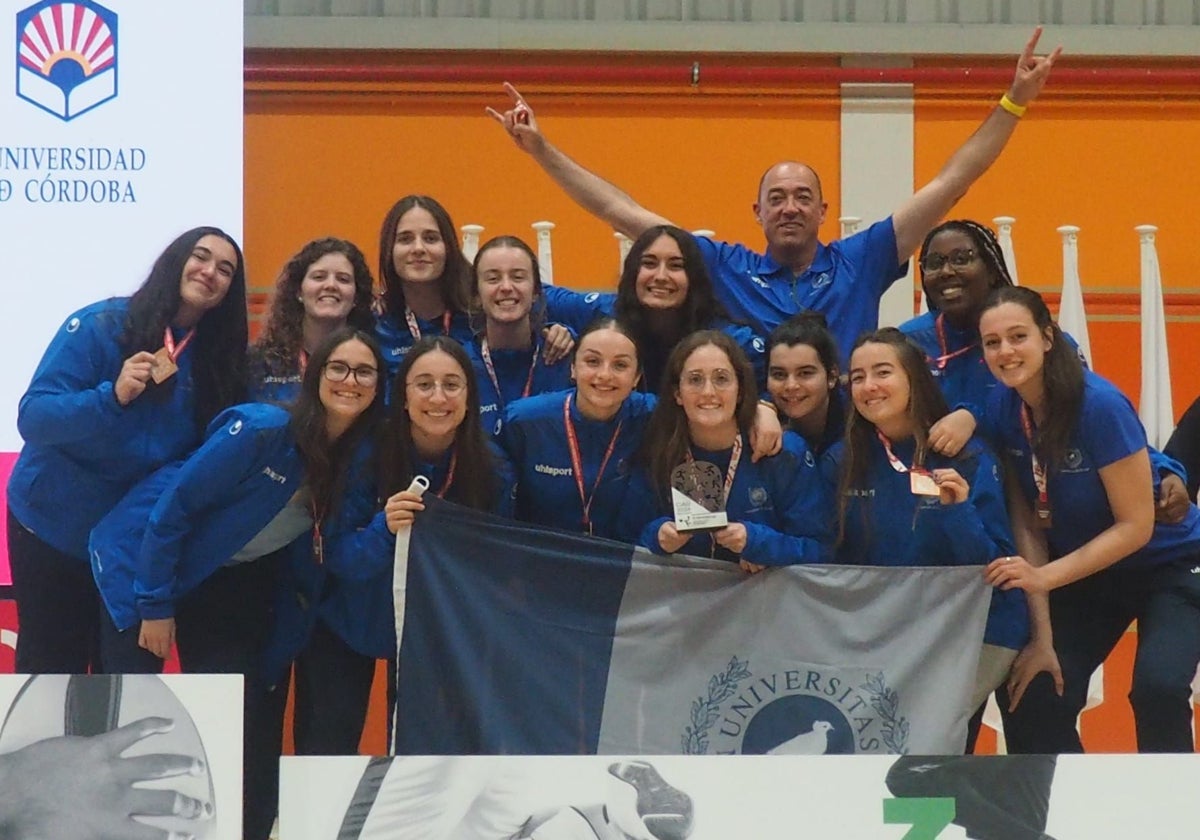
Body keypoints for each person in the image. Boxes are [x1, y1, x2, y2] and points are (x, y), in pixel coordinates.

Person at [487, 29, 1060, 364]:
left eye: (803, 197)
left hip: (846, 438)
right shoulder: (720, 264)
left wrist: (1013, 102)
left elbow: (951, 182)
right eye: (777, 197)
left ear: (823, 212)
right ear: (756, 212)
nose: (790, 206)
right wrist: (541, 150)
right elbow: (619, 211)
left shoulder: (861, 260)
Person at [6, 226, 248, 674]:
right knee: (50, 669)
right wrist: (110, 397)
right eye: (200, 256)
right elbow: (34, 418)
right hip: (52, 526)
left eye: (226, 269)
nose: (210, 271)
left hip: (130, 543)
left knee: (126, 681)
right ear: (175, 261)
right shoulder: (101, 325)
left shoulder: (220, 363)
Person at [264, 337, 513, 771]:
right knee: (325, 754)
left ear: (471, 398)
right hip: (346, 621)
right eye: (424, 384)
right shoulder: (364, 454)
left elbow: (495, 572)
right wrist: (384, 530)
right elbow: (335, 556)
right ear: (402, 397)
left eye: (452, 385)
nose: (438, 397)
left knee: (425, 760)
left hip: (433, 633)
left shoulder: (491, 470)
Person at [978, 286, 1200, 753]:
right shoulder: (1002, 406)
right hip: (1091, 573)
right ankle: (1066, 816)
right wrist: (1042, 636)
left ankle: (1175, 820)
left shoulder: (1099, 404)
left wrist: (1044, 576)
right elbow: (1027, 524)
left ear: (1047, 336)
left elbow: (1135, 526)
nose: (1005, 351)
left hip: (1170, 564)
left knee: (1157, 690)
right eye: (992, 342)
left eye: (1017, 336)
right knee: (1032, 690)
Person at [902, 219, 1191, 516]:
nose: (947, 271)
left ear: (990, 269)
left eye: (962, 259)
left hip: (1039, 505)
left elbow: (1090, 422)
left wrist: (1165, 471)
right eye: (934, 263)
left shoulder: (1043, 342)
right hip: (945, 503)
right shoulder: (908, 344)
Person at [826, 328, 1028, 716]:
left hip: (979, 628)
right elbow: (828, 552)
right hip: (891, 628)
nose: (869, 386)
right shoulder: (843, 461)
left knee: (916, 729)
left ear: (914, 378)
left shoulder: (966, 457)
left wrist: (958, 511)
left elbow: (995, 570)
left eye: (883, 372)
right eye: (858, 377)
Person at [621, 330, 827, 570]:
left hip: (764, 603)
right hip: (682, 599)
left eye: (721, 379)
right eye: (695, 379)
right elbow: (625, 542)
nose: (708, 392)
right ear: (678, 393)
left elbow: (821, 550)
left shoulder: (783, 452)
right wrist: (657, 537)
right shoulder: (658, 450)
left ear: (740, 391)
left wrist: (760, 544)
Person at [542, 225, 766, 392]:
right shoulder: (604, 310)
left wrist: (767, 408)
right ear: (633, 272)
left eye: (676, 266)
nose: (660, 276)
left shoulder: (731, 339)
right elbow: (529, 294)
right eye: (649, 263)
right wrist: (553, 328)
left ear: (694, 277)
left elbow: (773, 384)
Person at [500, 318, 653, 540]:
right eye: (592, 361)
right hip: (539, 561)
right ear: (573, 367)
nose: (604, 375)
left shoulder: (653, 418)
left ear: (637, 377)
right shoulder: (524, 421)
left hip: (624, 563)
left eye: (620, 365)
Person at [465, 235, 574, 434]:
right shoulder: (460, 364)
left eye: (518, 277)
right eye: (493, 278)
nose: (506, 287)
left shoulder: (564, 357)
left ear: (536, 293)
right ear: (476, 296)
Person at [248, 237, 376, 403]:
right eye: (319, 277)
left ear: (356, 297)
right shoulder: (260, 361)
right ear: (298, 292)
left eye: (343, 279)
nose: (331, 285)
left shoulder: (372, 359)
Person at [374, 195, 477, 373]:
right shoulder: (375, 324)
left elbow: (535, 294)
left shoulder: (479, 314)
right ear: (389, 250)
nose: (418, 249)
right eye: (405, 239)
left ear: (449, 247)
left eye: (430, 238)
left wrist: (544, 326)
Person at [765, 312, 845, 456]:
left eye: (805, 373)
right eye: (779, 374)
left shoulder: (859, 426)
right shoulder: (760, 420)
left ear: (832, 376)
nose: (791, 385)